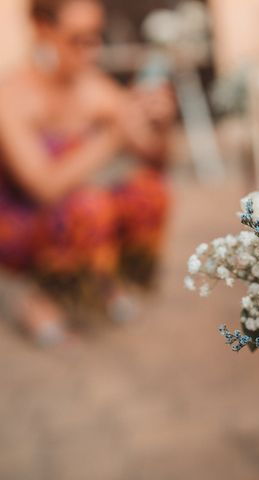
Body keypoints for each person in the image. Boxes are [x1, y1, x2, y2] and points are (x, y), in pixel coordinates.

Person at [0, 0, 175, 345]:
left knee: (148, 191)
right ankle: (42, 298)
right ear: (42, 29)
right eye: (77, 39)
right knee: (89, 205)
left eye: (96, 38)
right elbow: (43, 187)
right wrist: (114, 135)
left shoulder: (93, 86)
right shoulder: (11, 96)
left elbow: (155, 158)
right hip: (19, 220)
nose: (91, 51)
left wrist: (162, 125)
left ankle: (104, 279)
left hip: (71, 211)